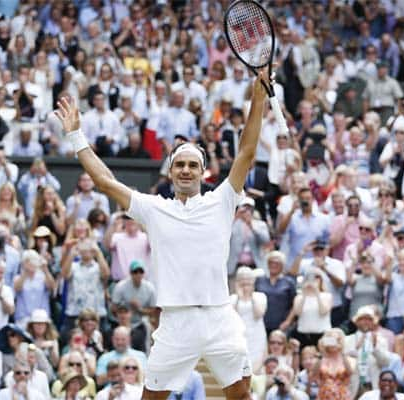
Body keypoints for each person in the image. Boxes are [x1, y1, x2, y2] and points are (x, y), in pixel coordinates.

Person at [54, 68, 268, 399]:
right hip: (175, 322)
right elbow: (105, 181)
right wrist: (77, 136)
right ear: (170, 172)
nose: (185, 170)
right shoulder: (154, 208)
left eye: (192, 165)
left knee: (241, 395)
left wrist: (258, 95)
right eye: (179, 165)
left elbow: (247, 153)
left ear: (202, 171)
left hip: (219, 318)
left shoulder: (223, 199)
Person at [231, 267, 267, 371]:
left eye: (248, 282)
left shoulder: (260, 296)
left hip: (256, 334)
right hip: (239, 334)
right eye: (242, 281)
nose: (245, 285)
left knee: (256, 364)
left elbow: (258, 314)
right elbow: (233, 316)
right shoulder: (233, 298)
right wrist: (239, 296)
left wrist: (250, 296)